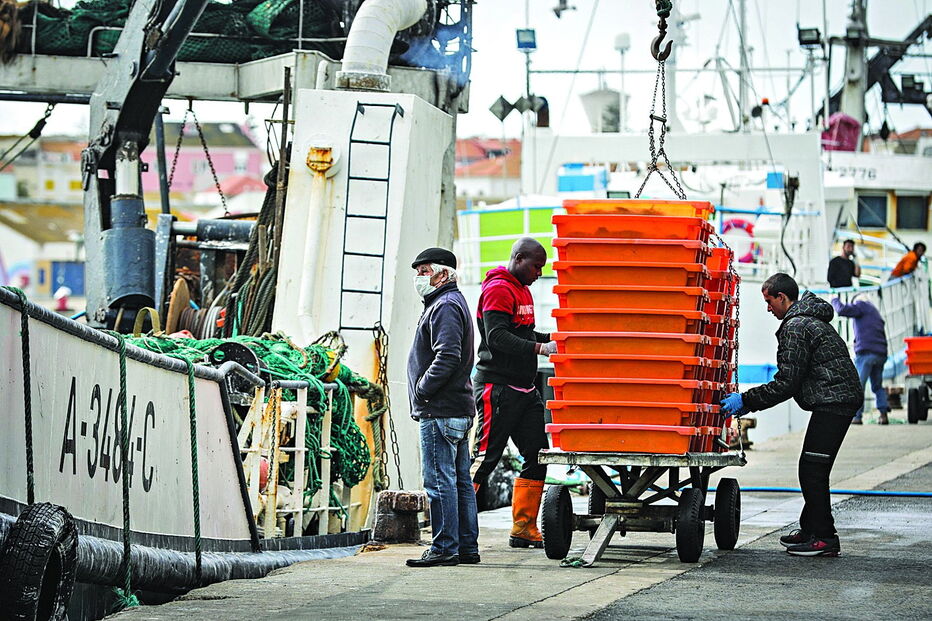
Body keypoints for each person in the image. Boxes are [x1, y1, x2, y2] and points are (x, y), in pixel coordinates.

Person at [720, 273, 862, 557]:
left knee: (812, 469)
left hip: (834, 401)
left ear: (782, 298)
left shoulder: (796, 327)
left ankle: (824, 537)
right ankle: (810, 528)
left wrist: (745, 401)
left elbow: (787, 382)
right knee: (814, 467)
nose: (768, 308)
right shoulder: (810, 319)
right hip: (838, 398)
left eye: (769, 301)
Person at [471, 237, 557, 549]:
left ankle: (523, 528)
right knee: (486, 458)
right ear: (518, 259)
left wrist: (549, 338)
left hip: (525, 389)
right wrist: (540, 347)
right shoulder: (497, 289)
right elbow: (497, 337)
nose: (539, 272)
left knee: (537, 456)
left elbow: (519, 332)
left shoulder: (522, 290)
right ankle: (457, 526)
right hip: (499, 387)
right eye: (536, 266)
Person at [405, 247, 480, 567]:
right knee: (460, 480)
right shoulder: (449, 302)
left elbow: (447, 356)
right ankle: (465, 546)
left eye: (424, 271)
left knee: (439, 481)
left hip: (441, 410)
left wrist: (422, 391)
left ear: (444, 273)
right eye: (418, 271)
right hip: (456, 408)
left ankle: (444, 546)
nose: (418, 277)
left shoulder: (445, 306)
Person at [831, 295, 889, 425]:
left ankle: (857, 417)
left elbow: (841, 310)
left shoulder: (861, 306)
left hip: (866, 353)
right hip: (881, 353)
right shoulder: (874, 311)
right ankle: (883, 415)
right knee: (877, 386)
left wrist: (834, 299)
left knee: (857, 387)